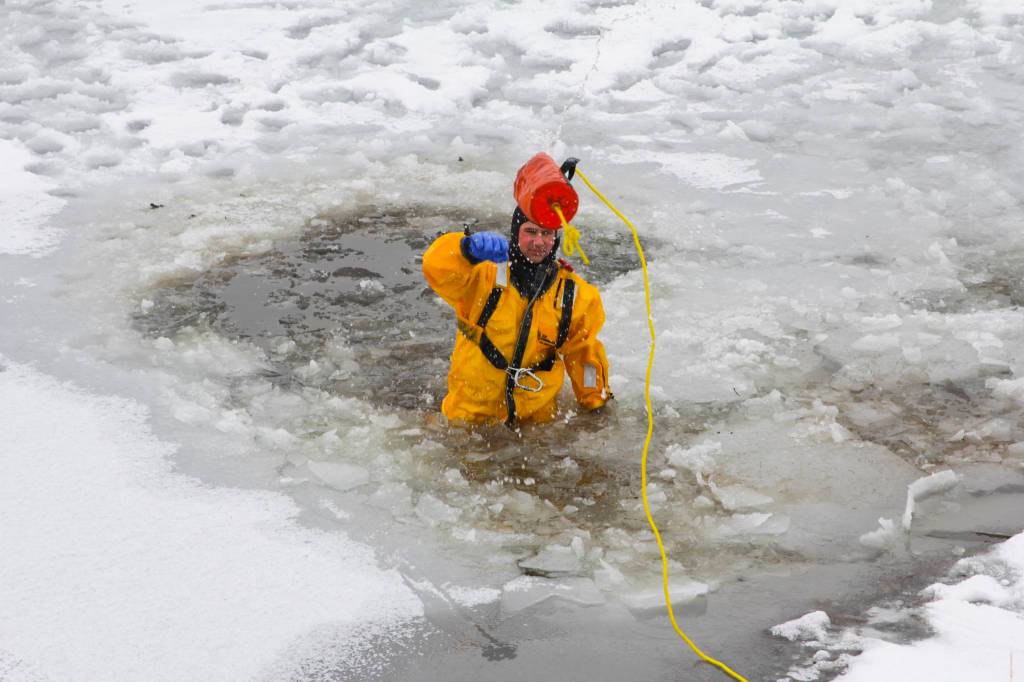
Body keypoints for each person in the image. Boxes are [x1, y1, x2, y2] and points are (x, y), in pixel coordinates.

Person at [422, 198, 612, 427]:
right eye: (530, 232)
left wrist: (594, 405)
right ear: (515, 232)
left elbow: (584, 353)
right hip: (470, 417)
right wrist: (465, 251)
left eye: (547, 233)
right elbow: (437, 270)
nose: (539, 242)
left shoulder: (572, 294)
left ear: (556, 238)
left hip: (536, 420)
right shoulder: (483, 277)